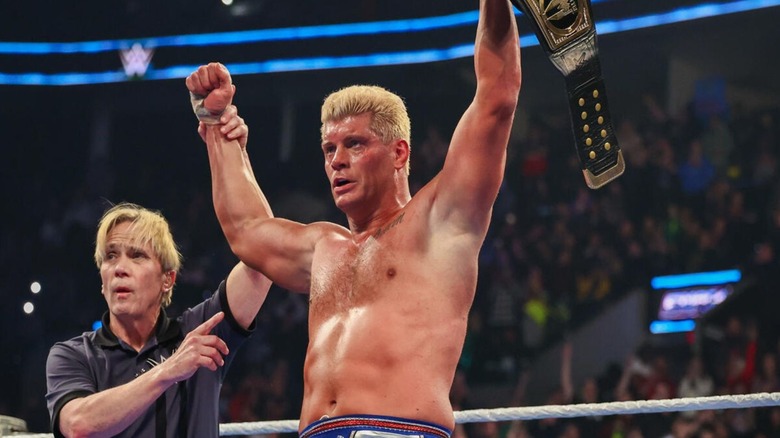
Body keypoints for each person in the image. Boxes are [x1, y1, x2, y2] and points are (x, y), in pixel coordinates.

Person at [186, 0, 522, 436]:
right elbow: (246, 231)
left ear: (399, 152)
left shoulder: (439, 221)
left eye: (355, 145)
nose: (337, 162)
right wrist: (216, 126)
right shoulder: (324, 247)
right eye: (329, 150)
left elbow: (496, 96)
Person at [45, 111, 273, 438]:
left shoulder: (201, 332)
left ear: (168, 278)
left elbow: (263, 257)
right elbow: (78, 424)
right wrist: (169, 371)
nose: (120, 267)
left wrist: (235, 154)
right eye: (110, 256)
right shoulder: (72, 355)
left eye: (136, 256)